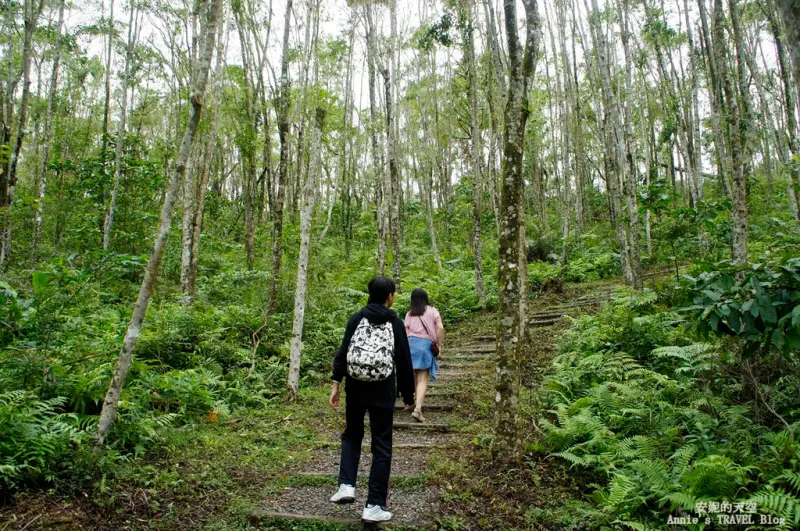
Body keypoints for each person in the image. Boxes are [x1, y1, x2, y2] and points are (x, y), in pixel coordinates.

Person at [329, 275, 415, 524]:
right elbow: (403, 360)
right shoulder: (395, 322)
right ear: (390, 296)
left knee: (352, 435)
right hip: (382, 392)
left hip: (355, 390)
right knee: (381, 446)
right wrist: (408, 395)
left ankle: (346, 485)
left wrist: (336, 383)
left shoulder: (357, 317)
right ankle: (374, 505)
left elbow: (344, 350)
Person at [404, 288, 444, 423]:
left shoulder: (409, 314)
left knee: (416, 376)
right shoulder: (433, 311)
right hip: (424, 345)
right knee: (422, 379)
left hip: (410, 346)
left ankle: (416, 402)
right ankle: (418, 409)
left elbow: (407, 333)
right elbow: (440, 328)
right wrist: (438, 344)